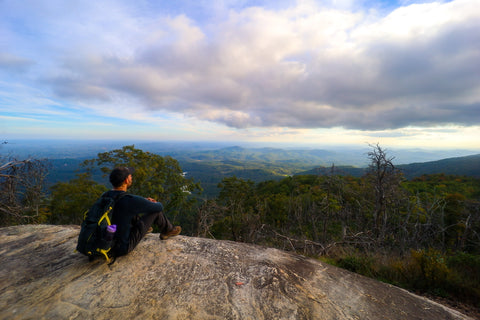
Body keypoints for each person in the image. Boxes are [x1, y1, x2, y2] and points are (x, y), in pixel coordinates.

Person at [105, 167, 181, 257]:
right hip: (122, 247)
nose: (131, 177)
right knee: (155, 211)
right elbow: (159, 207)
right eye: (130, 176)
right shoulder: (128, 200)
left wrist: (143, 202)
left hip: (107, 241)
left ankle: (146, 228)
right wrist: (153, 202)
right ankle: (168, 230)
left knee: (128, 211)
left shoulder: (106, 196)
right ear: (126, 180)